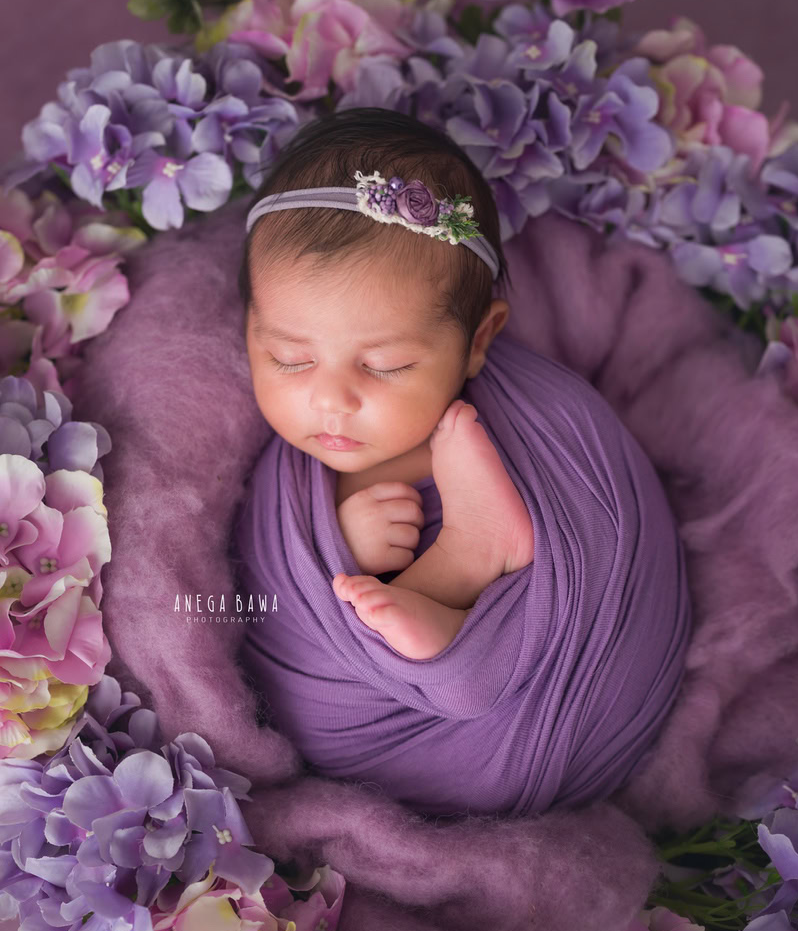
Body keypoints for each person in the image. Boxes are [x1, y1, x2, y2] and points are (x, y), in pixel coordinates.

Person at [229, 106, 692, 819]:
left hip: (565, 710)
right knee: (309, 702)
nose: (330, 400)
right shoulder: (282, 484)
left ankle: (465, 592)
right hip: (392, 748)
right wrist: (344, 546)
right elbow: (266, 607)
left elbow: (612, 528)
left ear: (479, 342)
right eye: (288, 358)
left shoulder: (540, 421)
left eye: (385, 365)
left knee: (584, 550)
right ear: (250, 329)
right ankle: (457, 584)